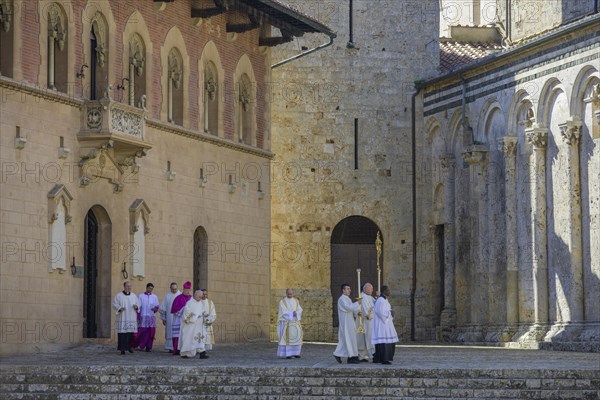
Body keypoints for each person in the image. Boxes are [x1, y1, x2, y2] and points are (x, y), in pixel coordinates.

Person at [333, 283, 362, 364]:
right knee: (347, 339)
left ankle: (351, 356)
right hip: (345, 322)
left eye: (349, 289)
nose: (350, 290)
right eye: (348, 289)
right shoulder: (342, 299)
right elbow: (348, 308)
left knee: (351, 339)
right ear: (343, 290)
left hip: (350, 321)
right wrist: (357, 303)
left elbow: (352, 309)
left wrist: (357, 312)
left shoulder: (348, 299)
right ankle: (342, 355)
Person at [372, 285, 399, 365]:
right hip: (383, 325)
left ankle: (381, 358)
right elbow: (380, 313)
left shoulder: (384, 300)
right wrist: (390, 313)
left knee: (386, 342)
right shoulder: (381, 300)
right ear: (384, 291)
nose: (389, 292)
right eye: (388, 290)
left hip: (386, 324)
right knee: (385, 342)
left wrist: (390, 313)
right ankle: (384, 359)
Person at [179, 290, 209, 359]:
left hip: (198, 325)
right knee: (188, 339)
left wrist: (204, 314)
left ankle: (202, 352)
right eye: (199, 297)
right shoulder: (189, 303)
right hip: (190, 326)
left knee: (199, 338)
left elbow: (202, 311)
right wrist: (196, 317)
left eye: (201, 297)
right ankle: (185, 353)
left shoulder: (200, 303)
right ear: (195, 295)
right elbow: (186, 314)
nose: (200, 299)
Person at [112, 281, 140, 355]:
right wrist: (120, 308)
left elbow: (138, 305)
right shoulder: (119, 295)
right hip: (123, 317)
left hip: (131, 316)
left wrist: (136, 307)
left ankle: (130, 347)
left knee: (130, 333)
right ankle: (122, 349)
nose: (129, 287)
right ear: (124, 286)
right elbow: (115, 304)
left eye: (130, 286)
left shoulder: (134, 296)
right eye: (127, 286)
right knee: (123, 333)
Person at [277, 288, 303, 359]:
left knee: (297, 337)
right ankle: (288, 354)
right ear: (286, 293)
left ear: (293, 293)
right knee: (288, 338)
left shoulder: (296, 301)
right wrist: (292, 314)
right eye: (288, 294)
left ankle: (296, 353)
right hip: (287, 323)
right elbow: (283, 312)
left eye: (291, 294)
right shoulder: (282, 302)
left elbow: (300, 309)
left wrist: (296, 313)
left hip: (295, 322)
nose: (290, 295)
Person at [170, 281, 192, 355]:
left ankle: (185, 349)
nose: (187, 291)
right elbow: (174, 308)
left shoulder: (192, 299)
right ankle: (176, 350)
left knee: (186, 335)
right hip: (178, 320)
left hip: (187, 320)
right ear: (183, 289)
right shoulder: (178, 298)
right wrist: (183, 309)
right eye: (186, 290)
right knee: (177, 335)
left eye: (188, 290)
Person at [136, 283, 159, 352]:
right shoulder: (141, 296)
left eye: (152, 288)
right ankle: (141, 345)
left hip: (151, 317)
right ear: (146, 288)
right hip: (143, 316)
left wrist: (155, 309)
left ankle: (149, 347)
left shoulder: (154, 297)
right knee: (142, 332)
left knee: (151, 332)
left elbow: (157, 306)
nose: (150, 289)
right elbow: (138, 307)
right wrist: (138, 317)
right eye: (149, 288)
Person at [159, 282, 181, 352]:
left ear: (177, 288)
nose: (174, 290)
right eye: (172, 289)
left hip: (178, 318)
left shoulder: (180, 295)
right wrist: (163, 318)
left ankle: (178, 347)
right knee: (169, 331)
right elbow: (163, 308)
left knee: (178, 332)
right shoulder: (167, 296)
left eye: (175, 289)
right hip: (169, 318)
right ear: (170, 288)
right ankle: (170, 347)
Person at [356, 283, 376, 362]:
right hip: (365, 321)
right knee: (364, 339)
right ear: (366, 289)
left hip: (370, 322)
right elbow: (365, 311)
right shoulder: (362, 297)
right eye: (371, 288)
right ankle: (363, 355)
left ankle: (365, 356)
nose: (372, 290)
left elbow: (376, 304)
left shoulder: (370, 297)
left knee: (367, 339)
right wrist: (370, 314)